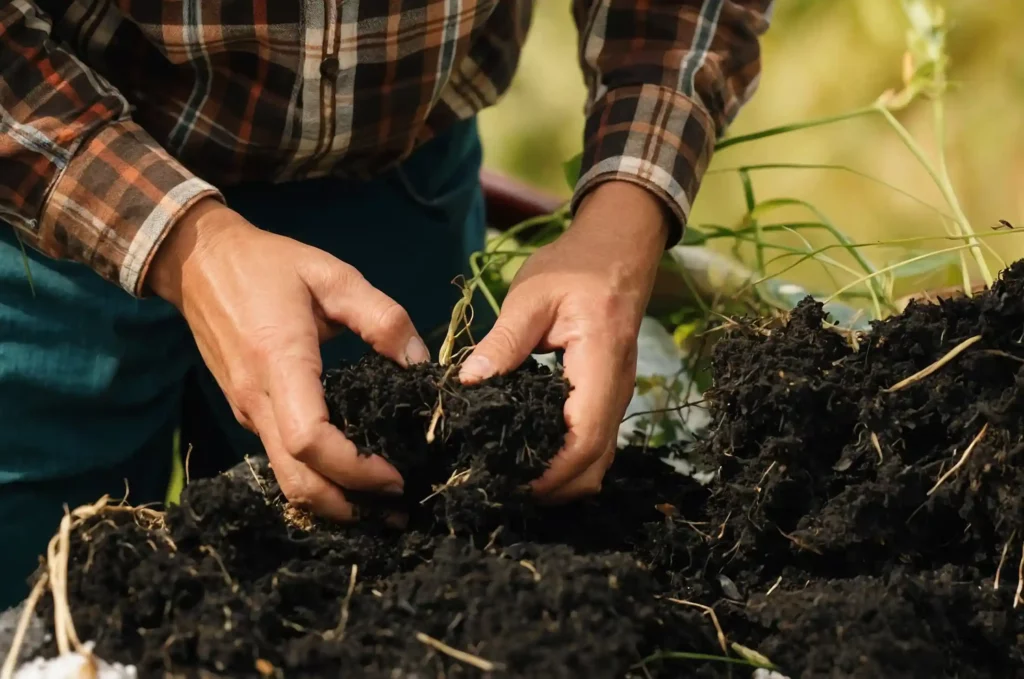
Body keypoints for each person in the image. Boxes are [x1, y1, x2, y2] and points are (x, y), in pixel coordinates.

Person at [0, 0, 772, 607]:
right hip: (53, 200)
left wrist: (620, 228)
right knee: (37, 595)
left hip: (391, 185)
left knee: (389, 564)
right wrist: (184, 243)